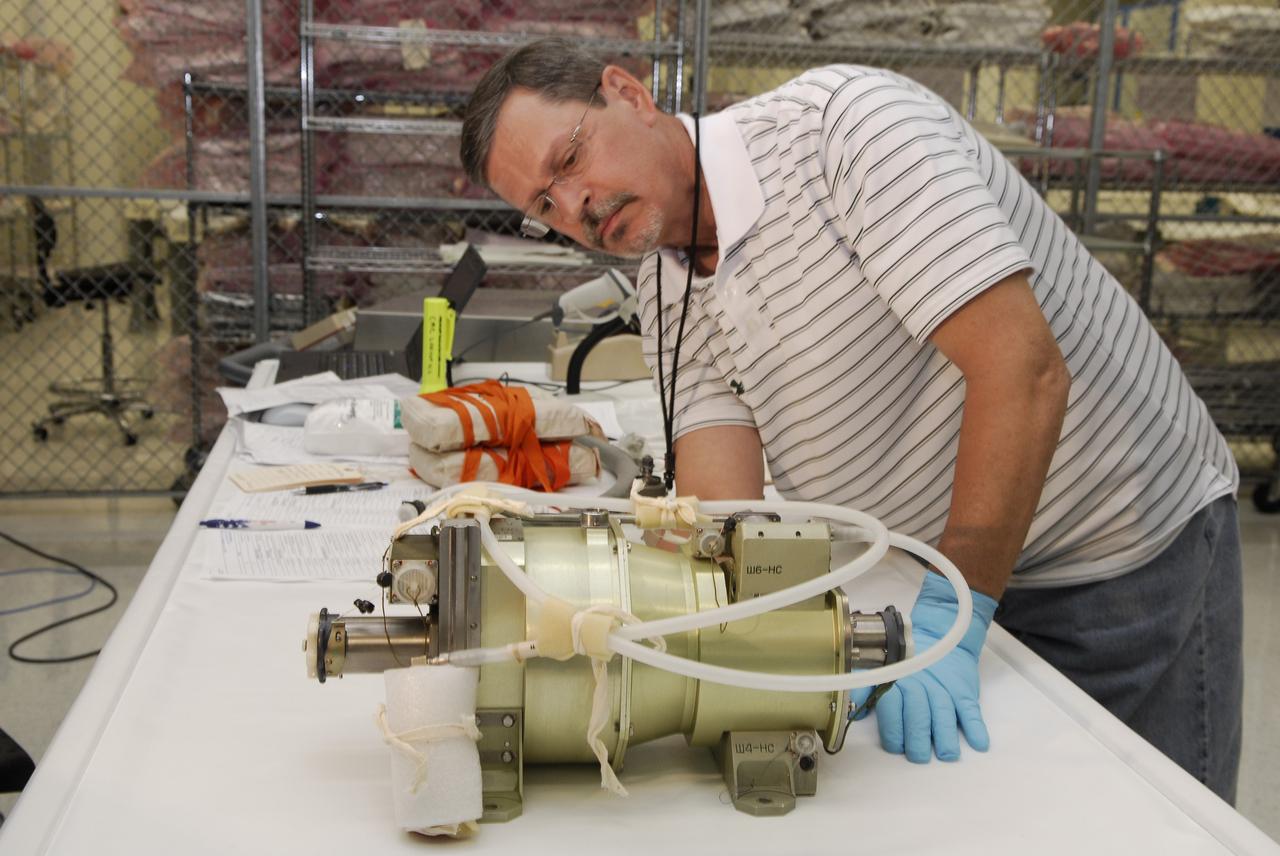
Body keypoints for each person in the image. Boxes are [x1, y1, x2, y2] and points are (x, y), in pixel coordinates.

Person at [459, 37, 1243, 802]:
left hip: (1124, 550)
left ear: (627, 93)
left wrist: (954, 613)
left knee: (1155, 818)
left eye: (568, 162)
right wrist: (709, 640)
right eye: (544, 206)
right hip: (954, 575)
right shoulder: (669, 289)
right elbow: (719, 512)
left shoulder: (847, 132)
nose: (575, 208)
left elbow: (1023, 370)